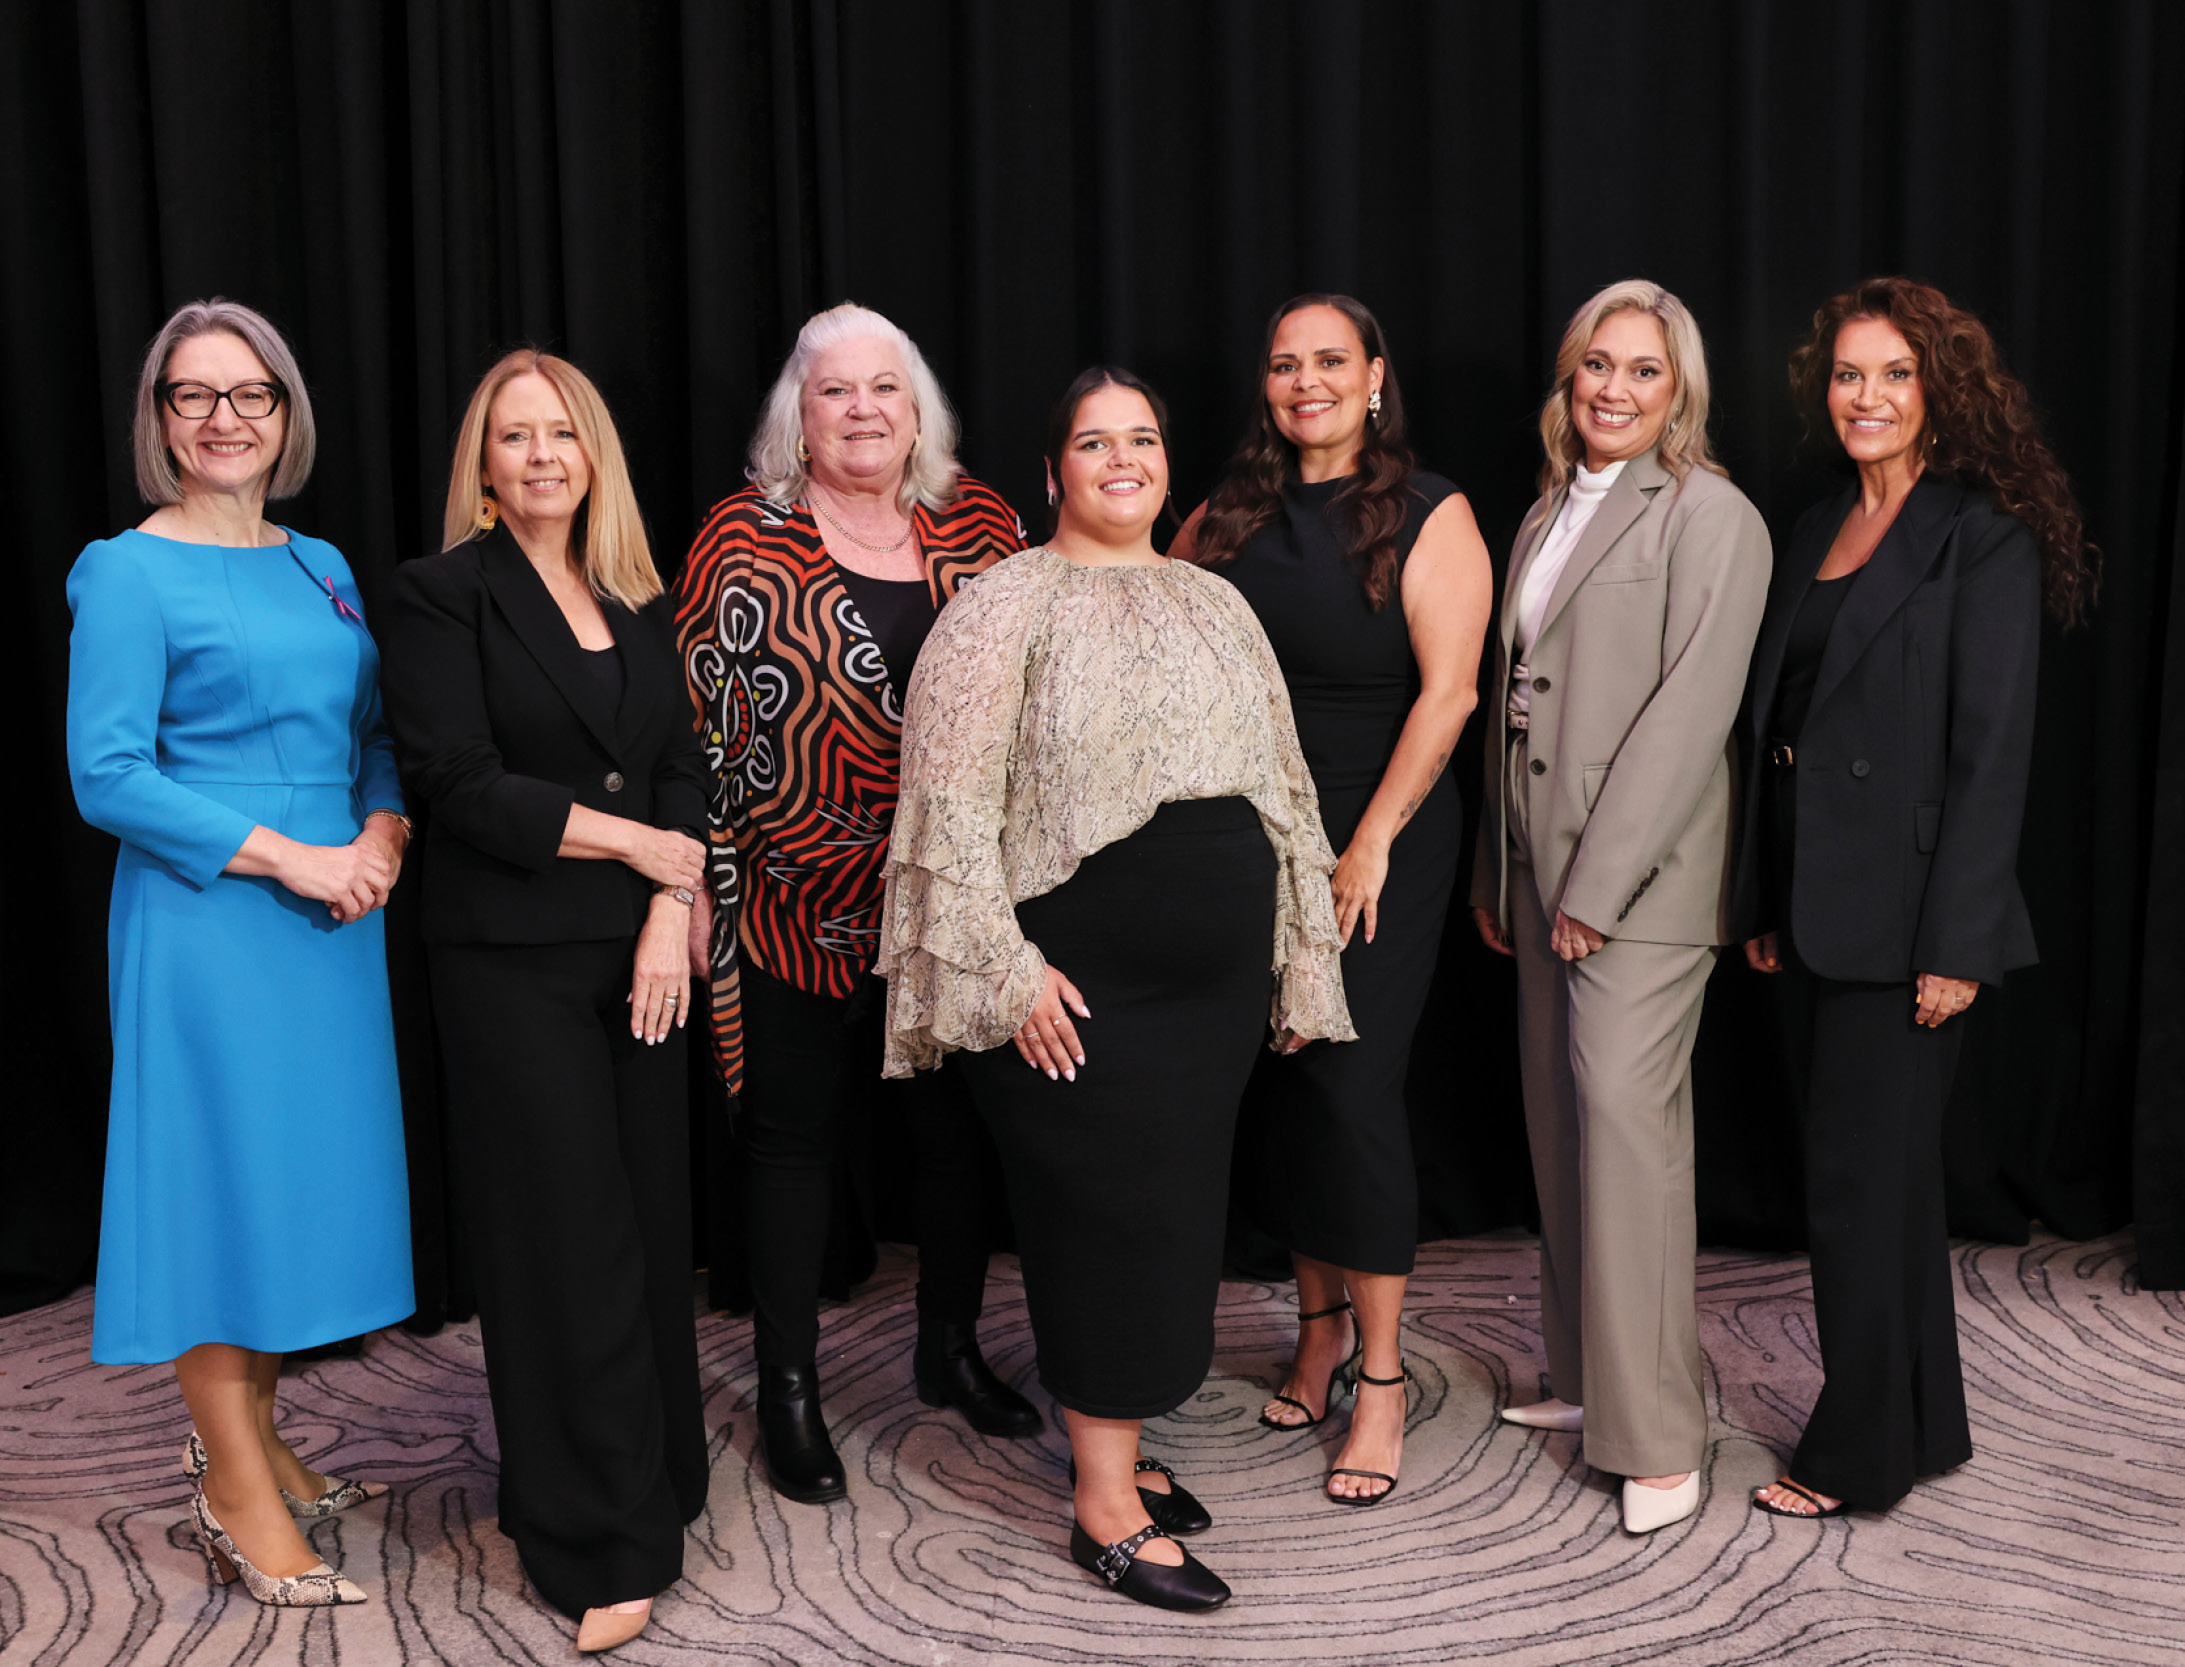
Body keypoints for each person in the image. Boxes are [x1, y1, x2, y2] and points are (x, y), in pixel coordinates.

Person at [880, 367, 1354, 1611]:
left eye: (1141, 437)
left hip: (1206, 1000)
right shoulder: (1000, 605)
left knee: (1170, 1216)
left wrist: (1295, 948)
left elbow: (1282, 785)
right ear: (1054, 472)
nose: (1123, 459)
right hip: (1070, 992)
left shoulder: (1214, 601)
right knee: (1099, 1220)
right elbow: (945, 809)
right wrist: (1005, 971)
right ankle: (1102, 1508)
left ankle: (1126, 1448)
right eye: (1094, 442)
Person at [66, 298, 412, 1608]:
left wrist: (379, 830)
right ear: (160, 419)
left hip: (334, 913)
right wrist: (292, 855)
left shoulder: (319, 560)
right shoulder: (126, 569)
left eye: (249, 393)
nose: (224, 418)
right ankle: (229, 1482)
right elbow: (107, 773)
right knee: (218, 1193)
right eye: (194, 395)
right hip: (209, 916)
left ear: (285, 413)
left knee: (286, 1188)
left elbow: (370, 729)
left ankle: (260, 1440)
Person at [1734, 278, 2095, 1520]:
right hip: (1814, 901)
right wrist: (1762, 896)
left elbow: (1992, 753)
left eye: (1895, 373)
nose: (1868, 396)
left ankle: (1854, 1454)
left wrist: (1956, 942)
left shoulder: (1977, 535)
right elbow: (1778, 732)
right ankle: (1926, 1423)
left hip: (1911, 919)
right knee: (1883, 1185)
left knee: (1855, 1189)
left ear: (1939, 389)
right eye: (1848, 373)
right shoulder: (1813, 526)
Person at [671, 304, 1035, 1507]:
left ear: (917, 410)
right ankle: (789, 1390)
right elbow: (695, 724)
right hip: (788, 898)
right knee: (791, 1147)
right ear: (800, 415)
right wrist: (699, 879)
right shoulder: (741, 536)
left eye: (885, 387)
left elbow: (1038, 696)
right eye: (835, 391)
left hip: (947, 895)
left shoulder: (982, 523)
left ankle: (949, 1348)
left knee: (954, 1138)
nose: (863, 409)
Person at [381, 350, 707, 1655]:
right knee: (565, 1246)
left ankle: (658, 1477)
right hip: (510, 959)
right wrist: (641, 851)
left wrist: (671, 908)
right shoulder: (439, 593)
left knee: (651, 1223)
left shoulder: (635, 593)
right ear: (483, 460)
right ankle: (595, 1536)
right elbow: (458, 781)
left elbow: (679, 764)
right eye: (514, 435)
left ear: (592, 454)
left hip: (642, 956)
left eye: (561, 433)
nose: (540, 456)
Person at [1173, 293, 1492, 1504]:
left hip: (1378, 840)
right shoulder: (1226, 514)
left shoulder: (1429, 512)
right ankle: (1313, 1334)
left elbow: (1450, 695)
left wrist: (1365, 847)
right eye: (1283, 363)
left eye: (1328, 361)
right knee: (1290, 1088)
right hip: (1253, 840)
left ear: (1373, 377)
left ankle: (1383, 1374)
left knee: (1353, 1094)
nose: (1304, 380)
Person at [1470, 280, 1771, 1534]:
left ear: (1678, 388)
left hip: (1637, 886)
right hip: (1538, 867)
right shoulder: (1549, 505)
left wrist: (1593, 887)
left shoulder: (1712, 516)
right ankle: (1590, 1376)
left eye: (1643, 370)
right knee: (1561, 1125)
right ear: (1569, 372)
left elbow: (1689, 720)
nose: (1615, 388)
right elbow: (1518, 698)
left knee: (1628, 1138)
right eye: (1598, 363)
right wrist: (1502, 870)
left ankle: (1658, 1434)